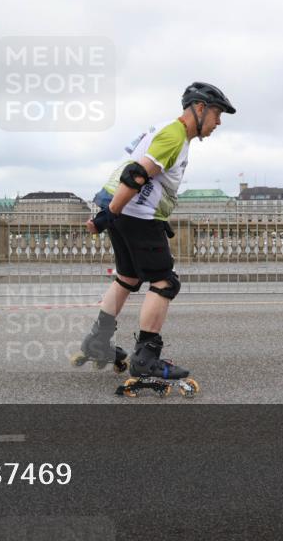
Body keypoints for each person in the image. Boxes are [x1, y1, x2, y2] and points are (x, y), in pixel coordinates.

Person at [80, 82, 236, 383]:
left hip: (125, 213)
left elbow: (127, 172)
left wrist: (107, 216)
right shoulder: (174, 135)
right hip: (138, 216)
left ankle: (98, 340)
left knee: (128, 277)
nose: (219, 123)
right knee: (165, 281)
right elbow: (135, 174)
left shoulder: (166, 131)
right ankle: (146, 357)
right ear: (200, 108)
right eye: (217, 114)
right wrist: (110, 215)